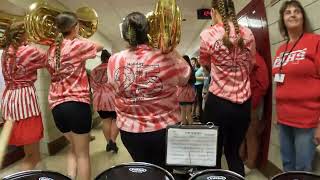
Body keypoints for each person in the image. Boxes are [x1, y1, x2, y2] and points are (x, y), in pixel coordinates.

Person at [107, 12, 190, 170]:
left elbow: (114, 85)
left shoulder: (115, 60)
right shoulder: (167, 57)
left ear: (124, 34)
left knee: (144, 169)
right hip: (164, 129)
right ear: (148, 31)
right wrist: (172, 50)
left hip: (130, 130)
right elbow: (185, 78)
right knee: (164, 169)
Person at [200, 0, 256, 176]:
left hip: (218, 102)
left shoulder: (208, 34)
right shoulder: (248, 33)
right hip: (243, 105)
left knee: (212, 155)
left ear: (213, 11)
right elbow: (251, 64)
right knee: (233, 154)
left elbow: (205, 64)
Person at [46, 12, 103, 180]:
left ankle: (70, 176)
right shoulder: (76, 45)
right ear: (74, 27)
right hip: (77, 105)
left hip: (57, 107)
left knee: (74, 147)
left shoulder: (52, 49)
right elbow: (99, 46)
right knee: (83, 155)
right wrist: (78, 36)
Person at [273, 0, 320, 172]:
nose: (292, 14)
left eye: (297, 11)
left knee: (302, 169)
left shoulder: (315, 41)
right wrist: (277, 113)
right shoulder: (280, 49)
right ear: (283, 20)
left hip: (307, 121)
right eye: (288, 12)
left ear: (303, 17)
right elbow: (280, 84)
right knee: (287, 165)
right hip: (284, 119)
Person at [0, 22, 46, 170]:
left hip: (9, 102)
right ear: (23, 34)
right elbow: (50, 61)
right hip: (25, 103)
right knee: (33, 156)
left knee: (27, 153)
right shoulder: (29, 51)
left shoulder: (5, 52)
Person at [240, 52, 269, 168]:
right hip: (242, 100)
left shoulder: (256, 57)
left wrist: (255, 100)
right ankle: (241, 156)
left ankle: (251, 163)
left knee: (251, 132)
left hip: (253, 99)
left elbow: (263, 82)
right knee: (242, 130)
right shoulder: (241, 57)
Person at [90, 49, 119, 153]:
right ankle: (113, 141)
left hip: (99, 99)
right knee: (116, 120)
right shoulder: (113, 69)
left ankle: (108, 143)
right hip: (113, 98)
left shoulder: (94, 70)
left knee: (105, 121)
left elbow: (93, 86)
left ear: (101, 59)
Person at [177, 55, 196, 125]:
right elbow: (194, 81)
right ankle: (191, 131)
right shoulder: (191, 69)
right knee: (189, 113)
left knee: (182, 112)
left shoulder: (181, 69)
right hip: (190, 92)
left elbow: (179, 81)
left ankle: (183, 132)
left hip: (181, 91)